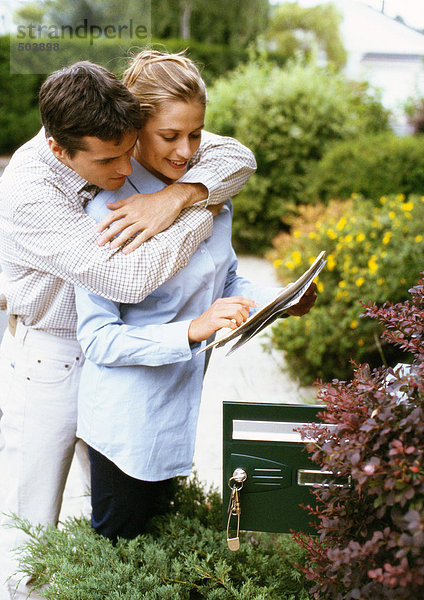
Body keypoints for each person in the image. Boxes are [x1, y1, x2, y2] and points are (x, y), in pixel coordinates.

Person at [0, 61, 257, 600]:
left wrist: (175, 195)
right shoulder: (32, 191)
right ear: (60, 150)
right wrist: (201, 209)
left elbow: (237, 156)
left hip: (120, 362)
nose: (126, 167)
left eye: (129, 149)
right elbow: (129, 274)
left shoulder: (118, 132)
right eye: (110, 159)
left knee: (116, 511)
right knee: (31, 517)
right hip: (55, 354)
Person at [75, 50, 317, 543]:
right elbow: (98, 339)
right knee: (119, 555)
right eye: (170, 136)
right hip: (125, 425)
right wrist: (193, 328)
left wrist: (279, 299)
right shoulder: (108, 213)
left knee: (160, 550)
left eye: (196, 134)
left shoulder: (208, 194)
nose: (187, 151)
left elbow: (224, 281)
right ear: (134, 129)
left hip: (179, 406)